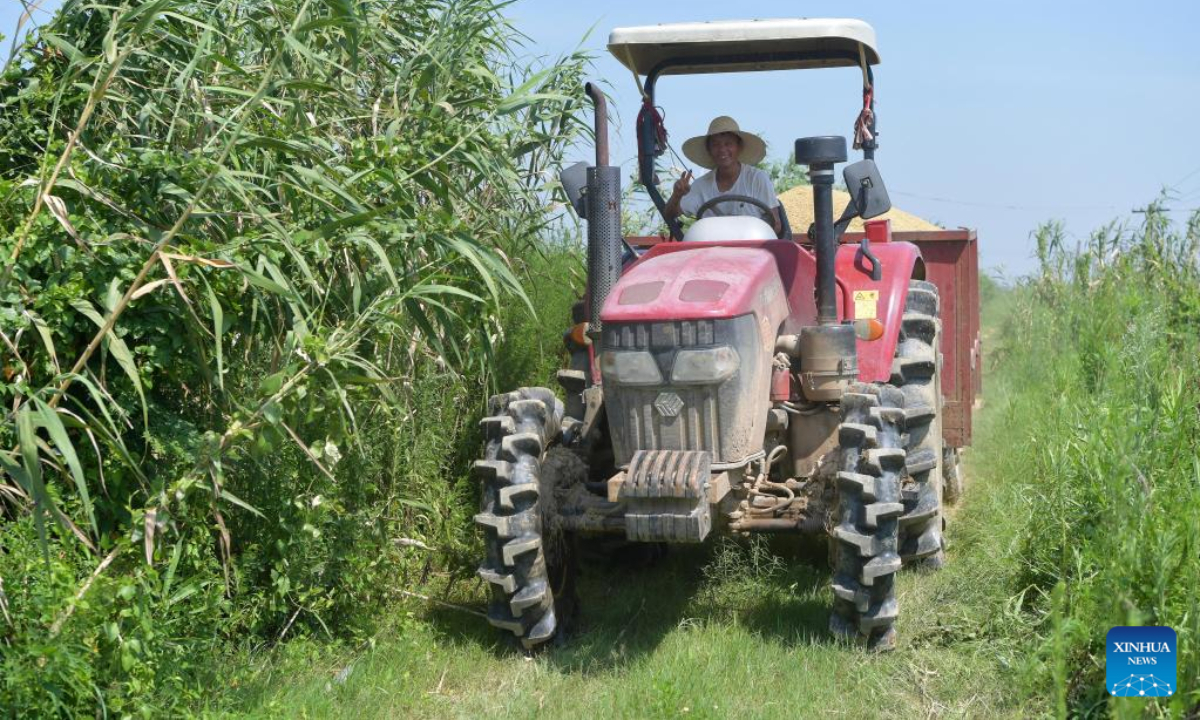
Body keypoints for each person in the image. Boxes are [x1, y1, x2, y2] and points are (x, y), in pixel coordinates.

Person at [664, 116, 782, 235]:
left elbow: (776, 224)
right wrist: (677, 196)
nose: (722, 149)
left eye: (728, 144)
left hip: (752, 250)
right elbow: (670, 214)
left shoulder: (757, 179)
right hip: (712, 250)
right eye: (715, 145)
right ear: (709, 150)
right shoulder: (700, 186)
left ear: (738, 147)